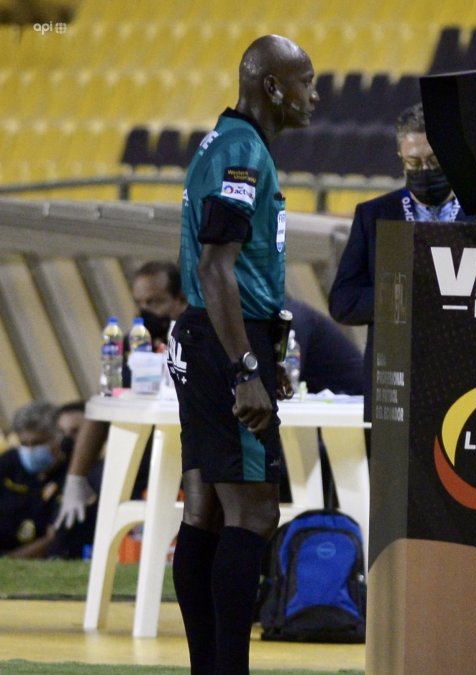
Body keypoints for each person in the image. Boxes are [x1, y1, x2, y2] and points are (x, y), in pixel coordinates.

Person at [169, 35, 316, 674]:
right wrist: (246, 367)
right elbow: (215, 266)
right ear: (272, 87)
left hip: (210, 335)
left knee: (204, 508)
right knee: (255, 512)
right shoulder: (241, 154)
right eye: (306, 80)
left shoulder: (226, 144)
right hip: (224, 341)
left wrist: (268, 348)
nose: (316, 95)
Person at [328, 102, 462, 421]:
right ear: (400, 159)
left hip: (464, 376)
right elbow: (342, 302)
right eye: (413, 162)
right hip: (396, 382)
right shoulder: (375, 215)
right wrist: (401, 296)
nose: (424, 170)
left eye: (432, 160)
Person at [53, 261, 190, 543]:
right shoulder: (133, 346)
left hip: (191, 458)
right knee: (81, 510)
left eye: (154, 301)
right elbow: (103, 406)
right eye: (139, 302)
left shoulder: (201, 341)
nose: (145, 310)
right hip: (141, 457)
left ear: (181, 300)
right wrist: (76, 479)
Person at [0, 401, 69, 558]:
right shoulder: (9, 463)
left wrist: (8, 562)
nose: (30, 450)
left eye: (38, 443)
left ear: (58, 439)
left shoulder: (70, 473)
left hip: (34, 556)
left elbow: (53, 537)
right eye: (24, 443)